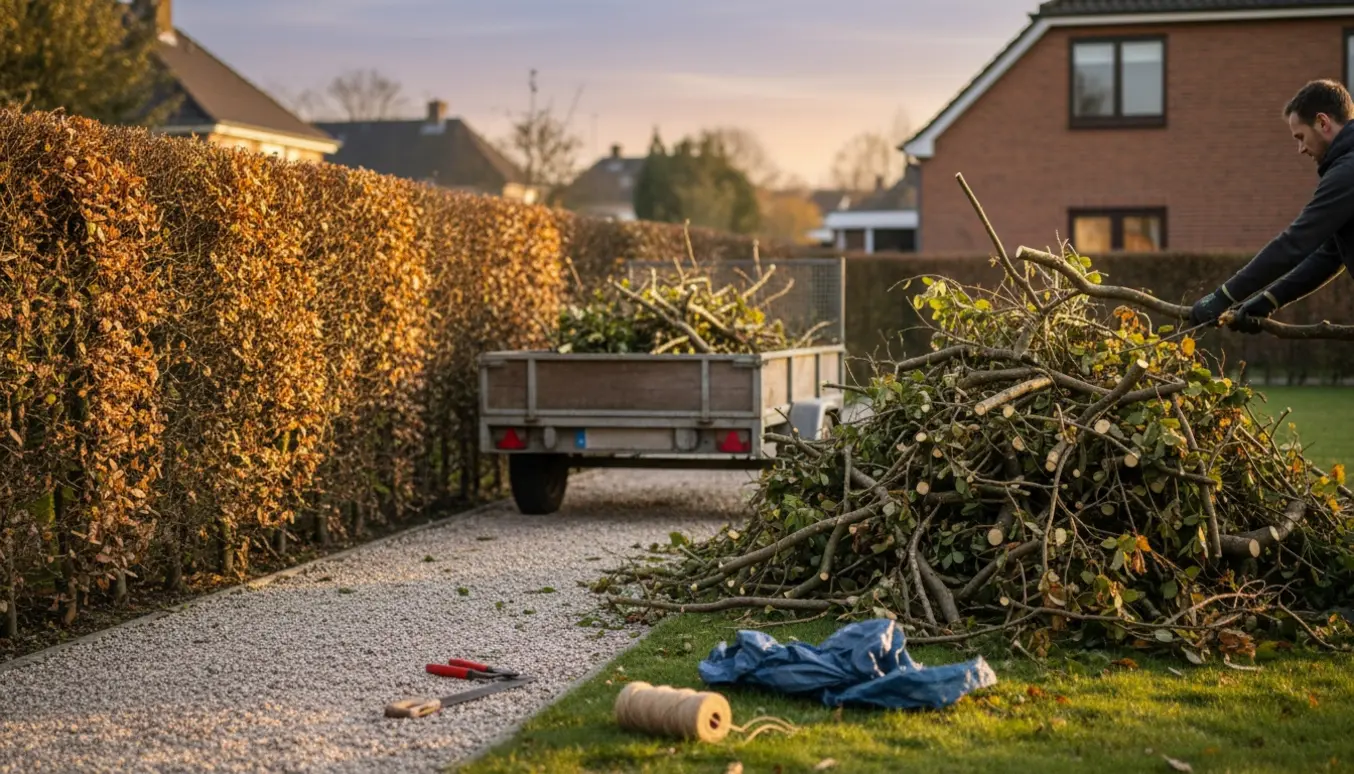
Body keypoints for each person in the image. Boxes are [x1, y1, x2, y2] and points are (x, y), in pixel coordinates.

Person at [1190, 79, 1354, 333]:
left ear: (1323, 122)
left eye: (1301, 137)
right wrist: (1268, 300)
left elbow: (1296, 242)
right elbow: (1330, 255)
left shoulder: (1347, 172)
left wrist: (1222, 297)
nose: (1300, 149)